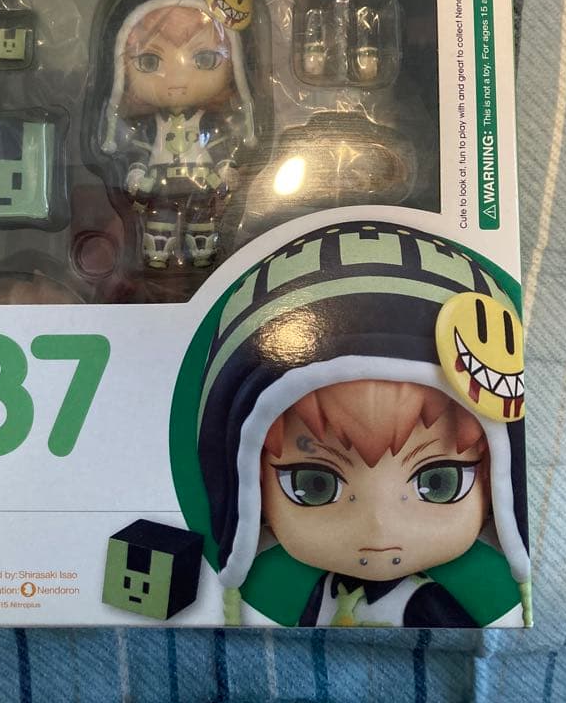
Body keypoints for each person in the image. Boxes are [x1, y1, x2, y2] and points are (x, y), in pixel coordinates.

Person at [196, 221, 530, 627]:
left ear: (499, 485)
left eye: (440, 482)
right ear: (244, 491)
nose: (378, 525)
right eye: (313, 485)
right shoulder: (326, 594)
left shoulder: (422, 603)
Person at [94, 0, 259, 269]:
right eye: (149, 62)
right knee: (159, 224)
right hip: (160, 185)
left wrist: (226, 169)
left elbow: (220, 147)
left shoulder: (211, 123)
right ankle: (157, 252)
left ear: (234, 65)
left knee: (202, 223)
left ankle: (203, 253)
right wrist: (136, 173)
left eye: (205, 59)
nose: (177, 80)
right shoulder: (149, 126)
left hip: (203, 182)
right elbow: (138, 150)